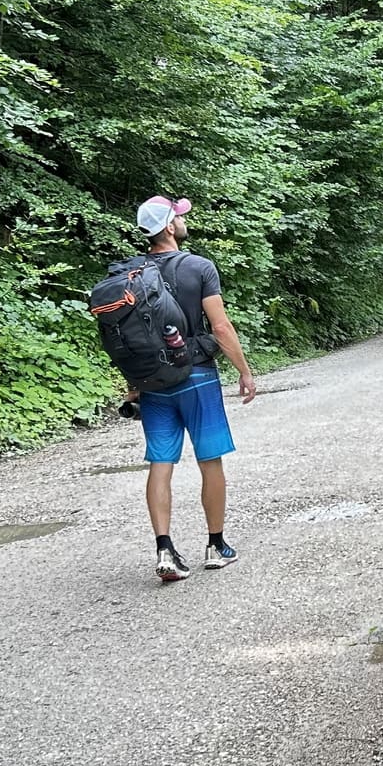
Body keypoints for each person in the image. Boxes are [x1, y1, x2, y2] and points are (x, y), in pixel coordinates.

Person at [125, 195, 258, 582]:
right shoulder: (198, 267)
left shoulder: (133, 273)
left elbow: (130, 336)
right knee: (210, 461)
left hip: (152, 384)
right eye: (178, 218)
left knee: (160, 464)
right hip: (196, 375)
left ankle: (165, 550)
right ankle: (216, 545)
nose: (184, 221)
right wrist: (244, 371)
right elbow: (219, 326)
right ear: (169, 227)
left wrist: (134, 384)